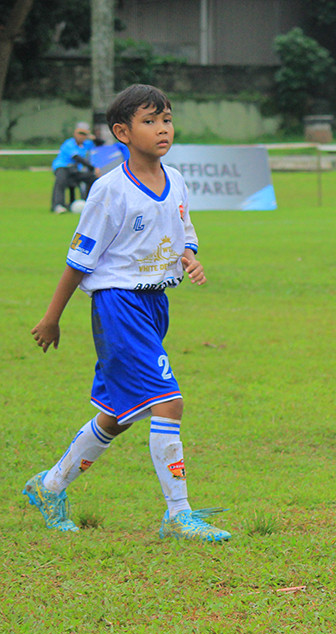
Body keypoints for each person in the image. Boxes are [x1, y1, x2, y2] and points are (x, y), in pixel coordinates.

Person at [24, 84, 230, 542]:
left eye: (167, 119)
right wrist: (52, 317)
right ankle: (178, 514)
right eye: (149, 121)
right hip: (119, 305)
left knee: (119, 413)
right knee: (168, 400)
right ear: (122, 131)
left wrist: (190, 257)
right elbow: (79, 261)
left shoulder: (175, 179)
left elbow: (184, 232)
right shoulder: (108, 191)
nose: (162, 129)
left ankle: (50, 484)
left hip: (156, 304)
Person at [50, 122, 98, 213]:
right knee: (61, 180)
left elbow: (100, 143)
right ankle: (58, 205)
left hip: (76, 170)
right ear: (75, 133)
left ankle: (91, 203)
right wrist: (93, 168)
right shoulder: (69, 143)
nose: (81, 136)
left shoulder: (87, 144)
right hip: (63, 167)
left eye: (84, 134)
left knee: (93, 178)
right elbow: (77, 158)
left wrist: (93, 138)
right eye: (80, 133)